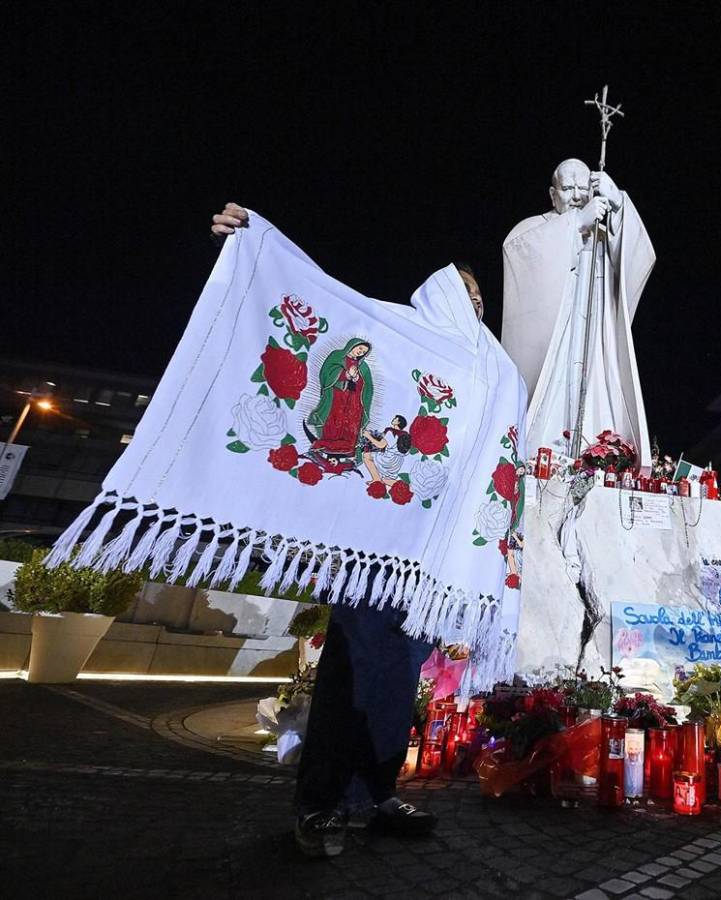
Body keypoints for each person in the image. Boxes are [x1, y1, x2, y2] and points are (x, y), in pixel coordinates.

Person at [211, 202, 485, 857]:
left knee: (396, 679)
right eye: (468, 292)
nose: (477, 306)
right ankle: (321, 804)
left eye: (482, 299)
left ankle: (374, 793)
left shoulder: (481, 371)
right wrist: (255, 242)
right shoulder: (397, 334)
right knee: (348, 676)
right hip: (368, 549)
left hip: (424, 560)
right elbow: (324, 306)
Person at [500, 160, 655, 465]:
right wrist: (574, 226)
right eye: (567, 188)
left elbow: (641, 256)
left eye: (583, 189)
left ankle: (598, 453)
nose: (575, 196)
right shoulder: (534, 229)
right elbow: (518, 252)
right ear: (552, 193)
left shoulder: (602, 235)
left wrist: (619, 203)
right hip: (554, 346)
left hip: (594, 341)